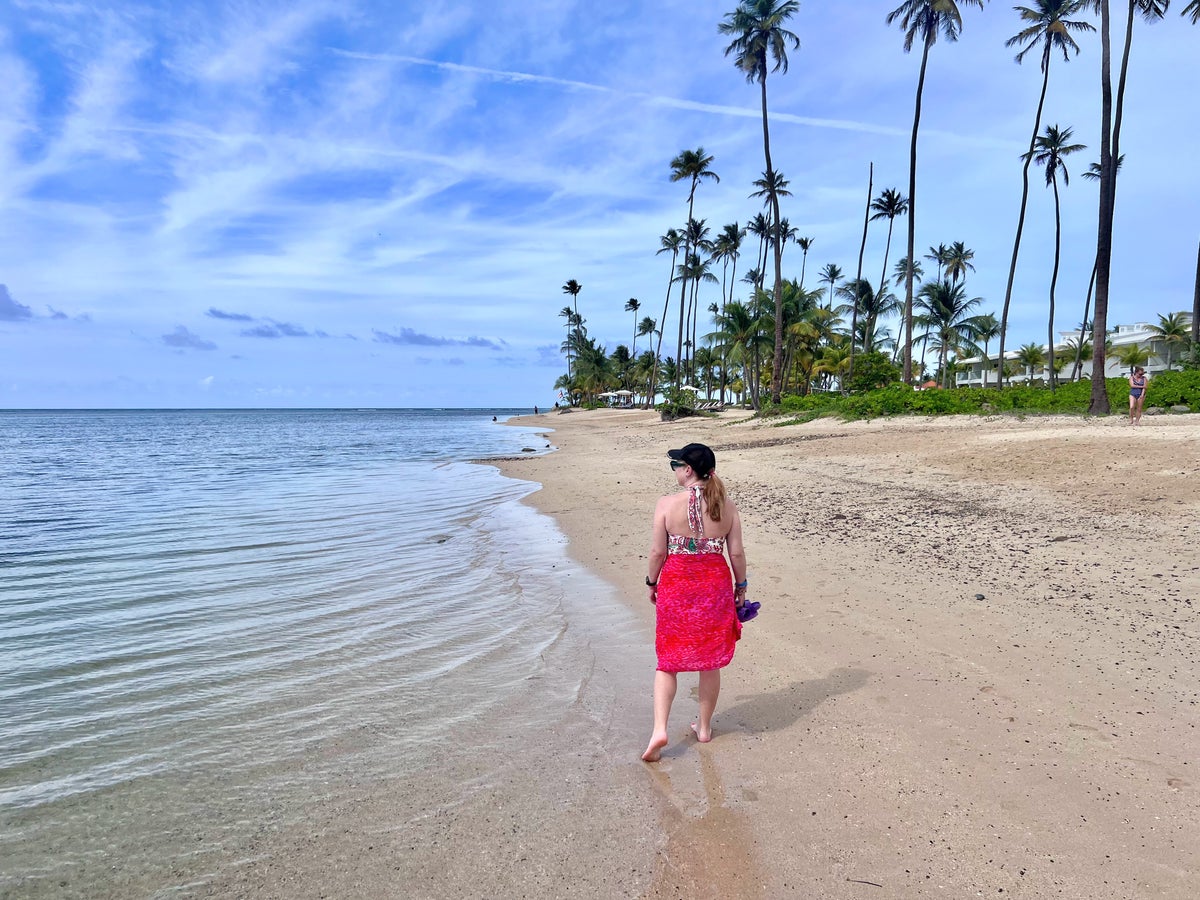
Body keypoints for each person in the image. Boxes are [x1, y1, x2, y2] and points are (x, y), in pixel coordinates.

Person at [641, 442, 748, 762]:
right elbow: (737, 554)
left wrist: (652, 582)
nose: (673, 468)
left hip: (677, 586)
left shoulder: (665, 504)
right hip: (714, 586)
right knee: (710, 660)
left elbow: (658, 552)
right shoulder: (727, 506)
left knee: (668, 660)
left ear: (688, 470)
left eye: (676, 463)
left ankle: (660, 728)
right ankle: (703, 728)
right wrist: (741, 586)